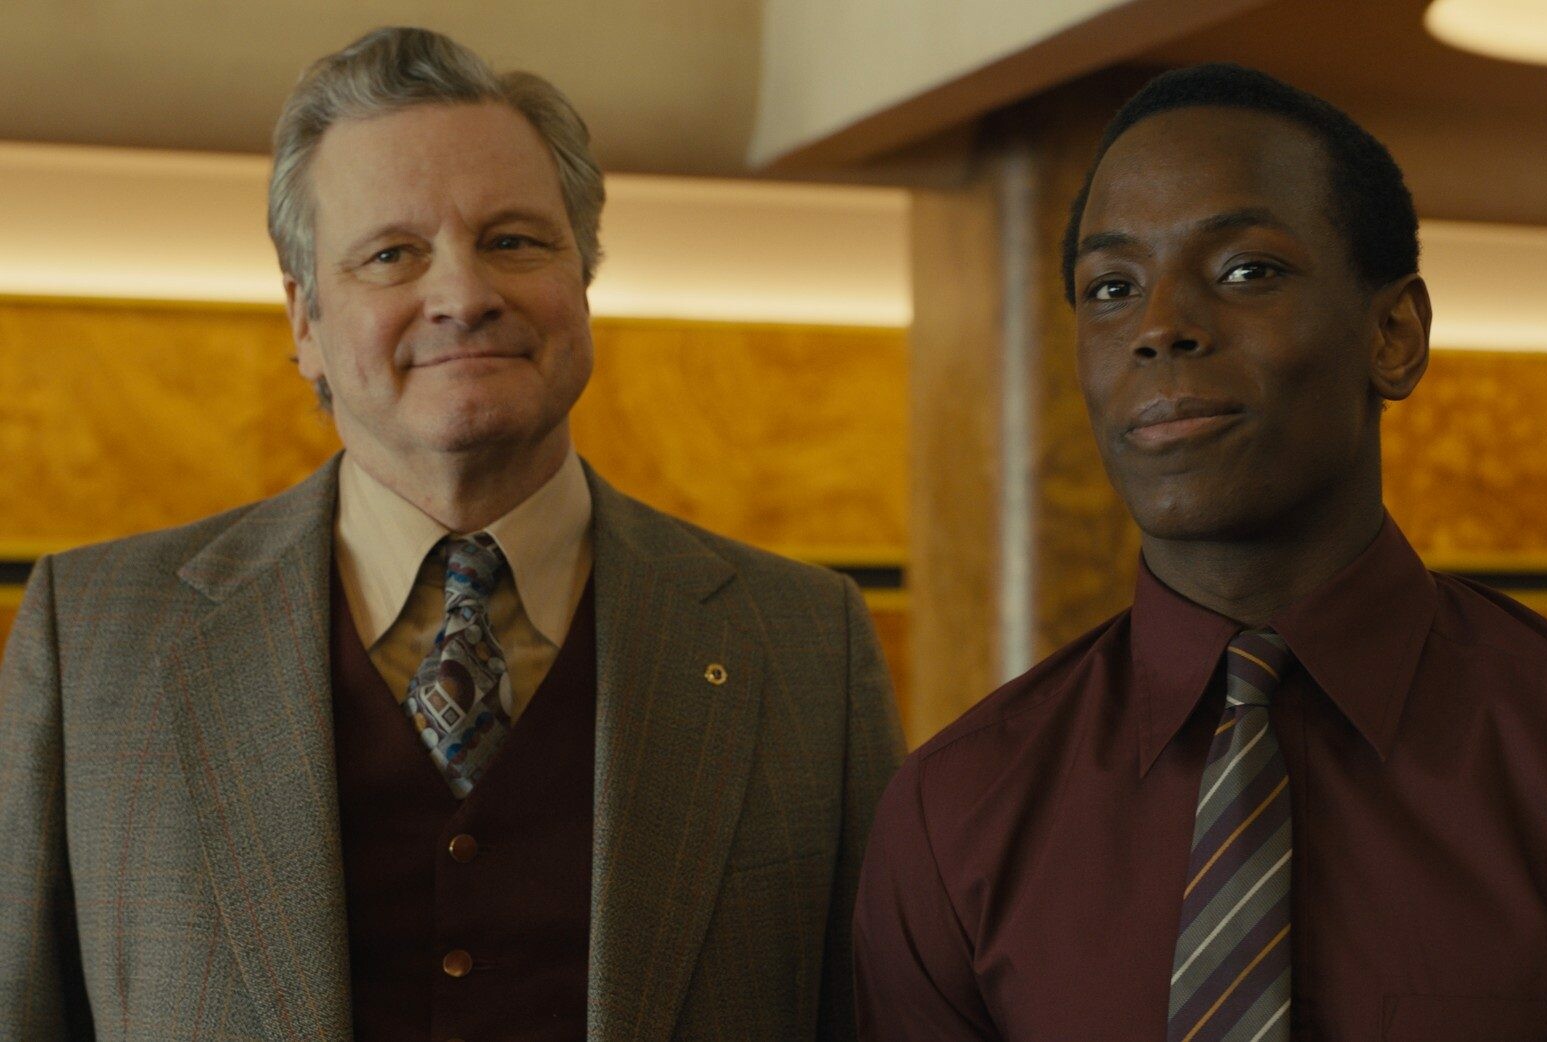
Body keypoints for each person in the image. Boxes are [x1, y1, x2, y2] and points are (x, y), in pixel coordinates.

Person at [0, 27, 903, 1041]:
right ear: (304, 321)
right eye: (393, 254)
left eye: (514, 241)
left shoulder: (806, 644)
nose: (465, 296)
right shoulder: (93, 642)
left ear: (583, 280)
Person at [854, 63, 1547, 1041]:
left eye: (1245, 272)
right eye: (1112, 288)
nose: (1160, 328)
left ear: (1393, 335)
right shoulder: (955, 812)